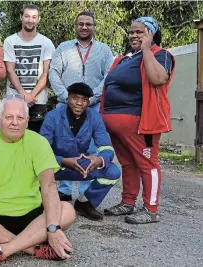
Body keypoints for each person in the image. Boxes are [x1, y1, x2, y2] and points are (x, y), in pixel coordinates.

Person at [0, 95, 76, 264]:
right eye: (9, 117)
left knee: (67, 210)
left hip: (32, 216)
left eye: (20, 118)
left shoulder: (39, 143)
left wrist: (54, 228)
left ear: (27, 121)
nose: (15, 122)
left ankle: (4, 250)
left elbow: (49, 186)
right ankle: (33, 248)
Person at [101, 17, 175, 224]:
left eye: (140, 32)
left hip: (144, 125)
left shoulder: (161, 55)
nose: (134, 35)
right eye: (132, 32)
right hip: (117, 126)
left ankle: (151, 210)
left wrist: (147, 49)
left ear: (151, 34)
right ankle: (127, 202)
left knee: (147, 163)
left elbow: (158, 79)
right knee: (127, 163)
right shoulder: (123, 59)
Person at [49, 11, 114, 202]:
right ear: (75, 26)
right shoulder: (63, 48)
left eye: (88, 24)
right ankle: (65, 191)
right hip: (64, 106)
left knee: (91, 150)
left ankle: (85, 197)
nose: (84, 27)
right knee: (64, 148)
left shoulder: (104, 50)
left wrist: (91, 98)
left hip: (93, 107)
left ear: (94, 27)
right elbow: (53, 72)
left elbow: (108, 75)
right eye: (81, 24)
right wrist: (64, 97)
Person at [40, 83, 120, 221]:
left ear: (88, 102)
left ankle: (85, 204)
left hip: (80, 165)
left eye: (84, 100)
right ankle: (37, 203)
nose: (79, 103)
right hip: (54, 165)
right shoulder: (52, 117)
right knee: (31, 170)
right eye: (75, 98)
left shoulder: (94, 117)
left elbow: (107, 147)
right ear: (68, 99)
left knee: (112, 172)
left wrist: (99, 160)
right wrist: (62, 161)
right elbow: (40, 151)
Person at [3, 4, 55, 133]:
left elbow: (46, 72)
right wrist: (23, 95)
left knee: (37, 139)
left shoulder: (46, 42)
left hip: (38, 101)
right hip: (14, 99)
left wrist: (31, 95)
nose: (30, 20)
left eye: (34, 17)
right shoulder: (10, 41)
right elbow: (10, 70)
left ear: (38, 19)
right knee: (13, 137)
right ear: (21, 17)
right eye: (27, 16)